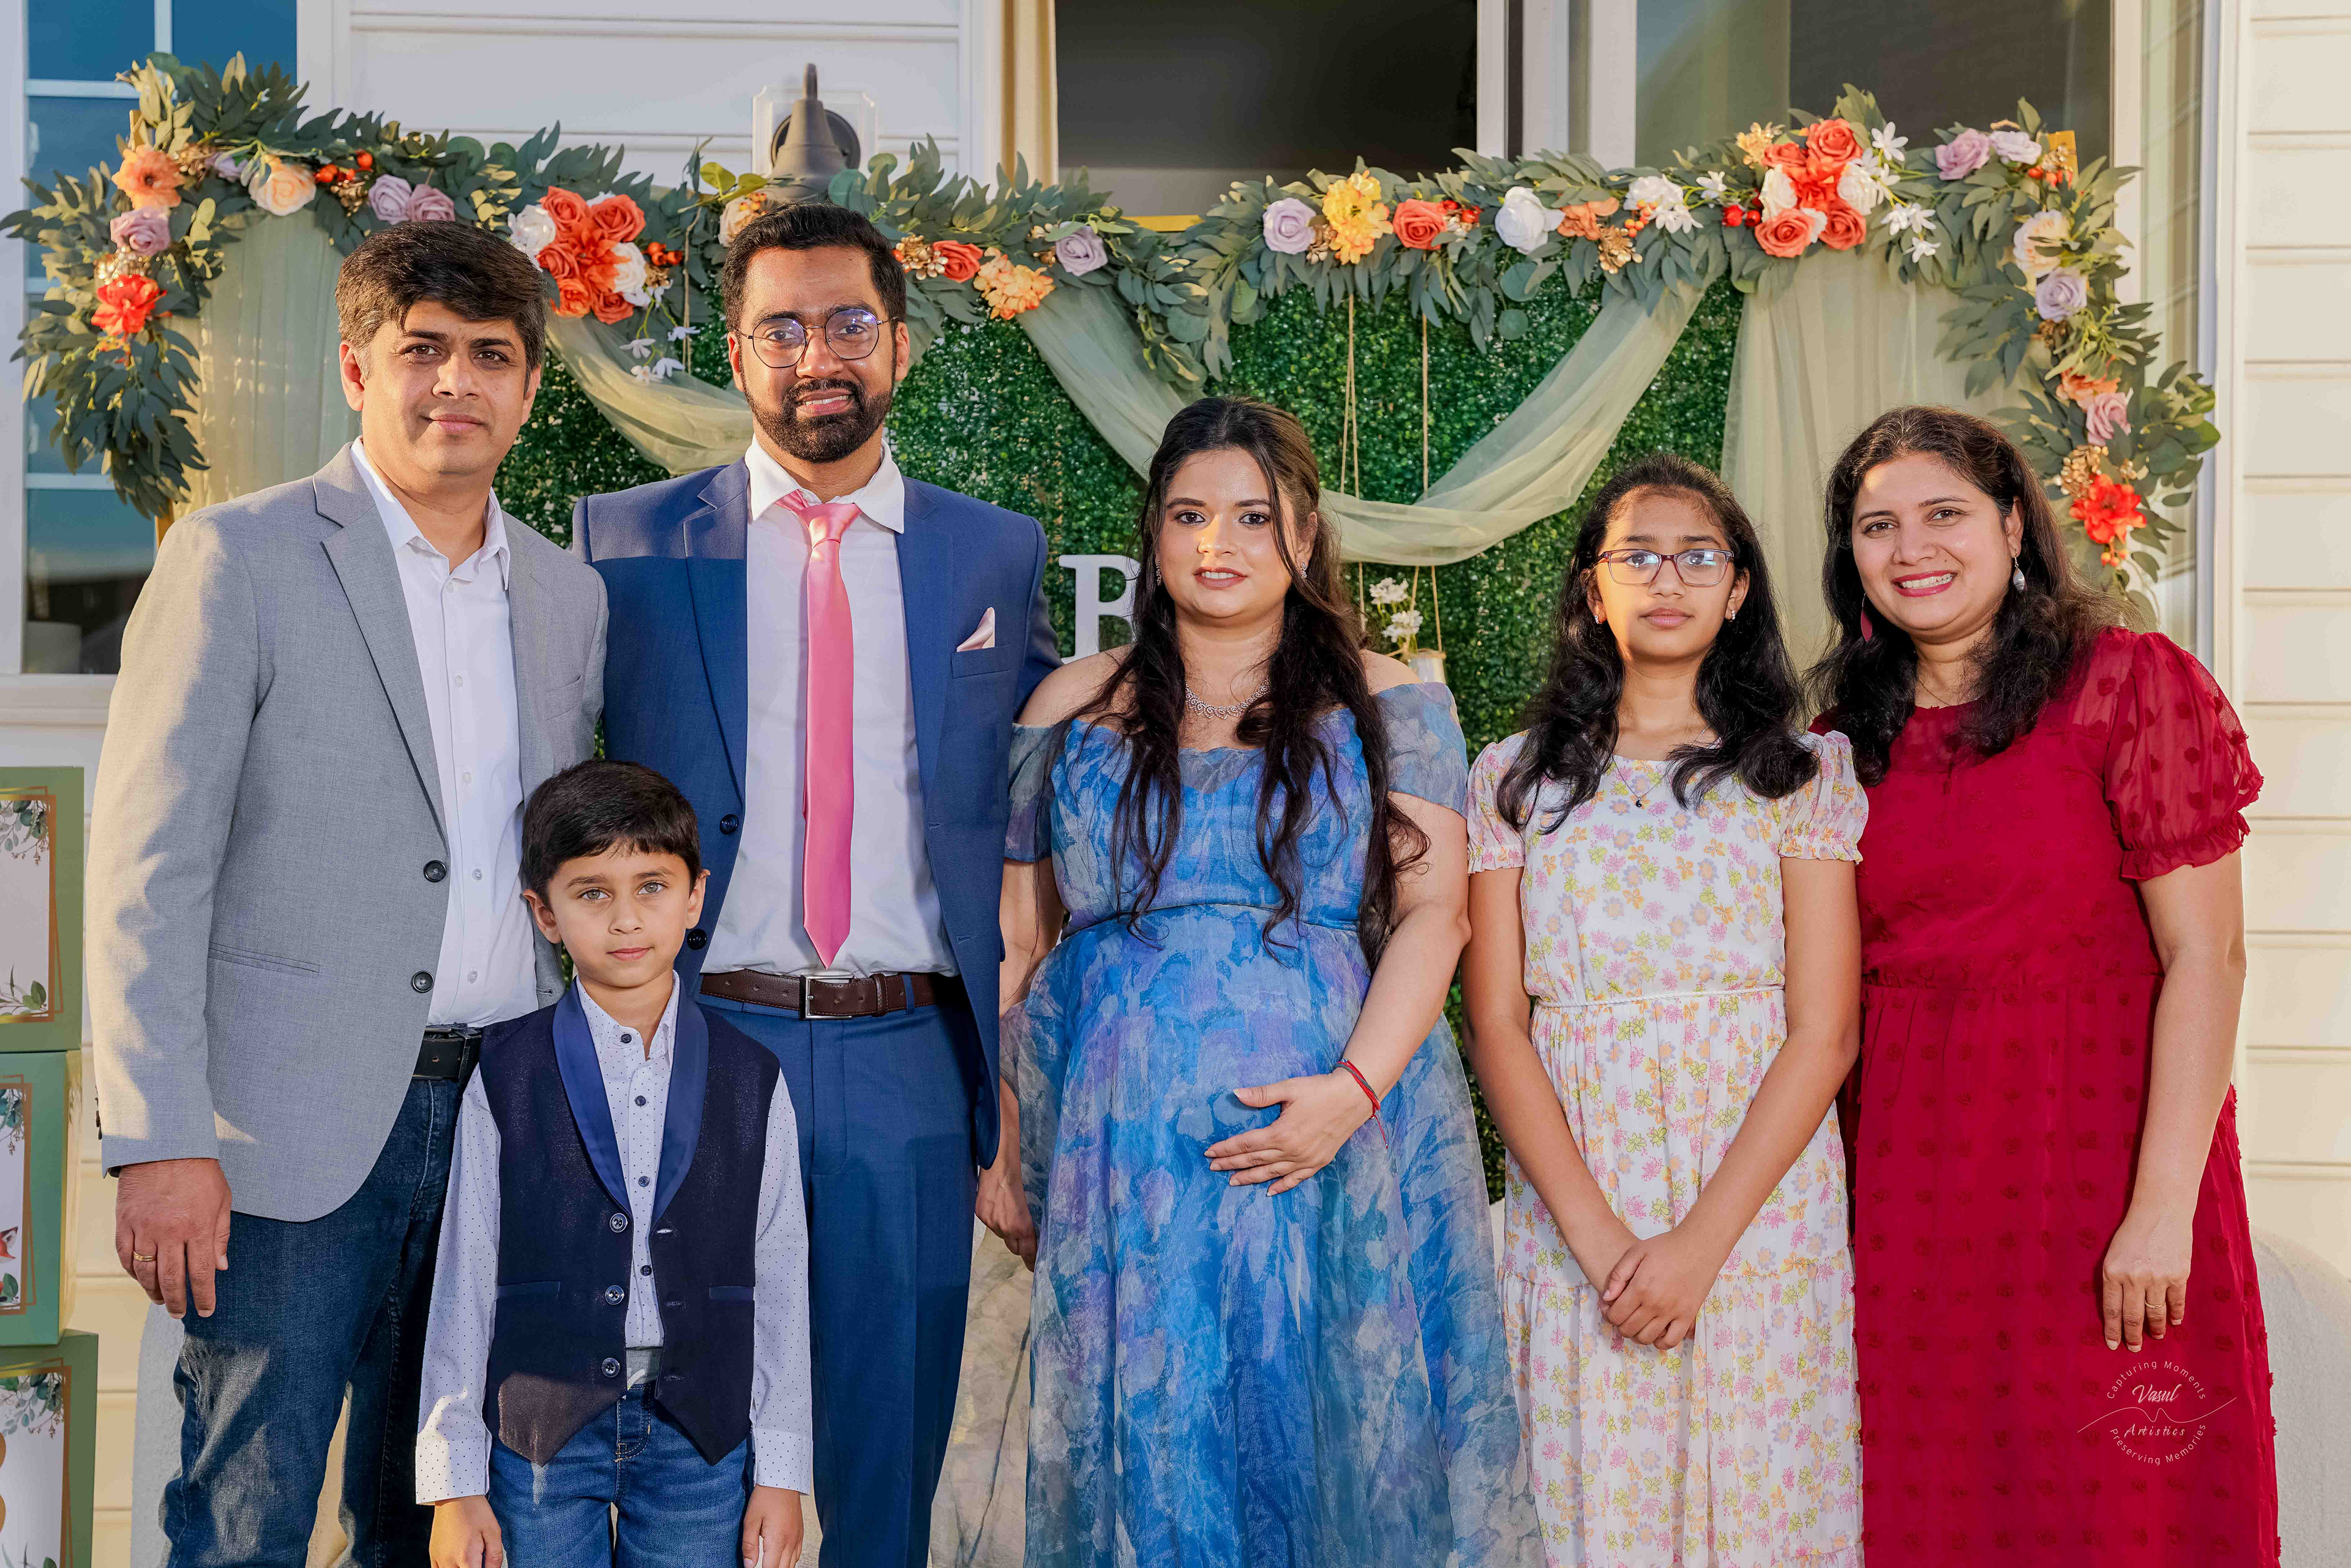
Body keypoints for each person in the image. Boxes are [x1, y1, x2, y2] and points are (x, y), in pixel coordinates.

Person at [88, 220, 607, 1566]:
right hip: (283, 1138)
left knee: (433, 1521)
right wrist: (157, 1139)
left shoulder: (567, 596)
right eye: (422, 350)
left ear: (529, 386)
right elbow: (148, 870)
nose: (457, 382)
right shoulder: (239, 557)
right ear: (356, 368)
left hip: (503, 1121)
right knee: (245, 1520)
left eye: (491, 355)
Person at [576, 201, 1057, 1568]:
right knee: (690, 1455)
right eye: (780, 328)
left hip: (908, 1057)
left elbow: (1041, 788)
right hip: (700, 1046)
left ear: (899, 343)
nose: (817, 355)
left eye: (848, 322)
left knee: (884, 1459)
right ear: (736, 354)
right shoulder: (625, 543)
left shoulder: (993, 552)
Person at [991, 394, 1539, 1567]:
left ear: (1305, 532)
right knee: (1153, 1438)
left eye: (1253, 515)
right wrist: (1002, 1143)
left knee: (1330, 1434)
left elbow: (1437, 916)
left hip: (1333, 1137)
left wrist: (1352, 1091)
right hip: (1121, 1149)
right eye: (1189, 514)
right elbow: (1021, 945)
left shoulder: (1390, 699)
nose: (1218, 543)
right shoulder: (1070, 705)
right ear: (1152, 530)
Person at [1811, 406, 2279, 1566]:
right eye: (1878, 525)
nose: (1912, 547)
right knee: (1935, 1504)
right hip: (1914, 1189)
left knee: (2122, 1512)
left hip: (2103, 1167)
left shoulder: (2126, 685)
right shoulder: (1836, 744)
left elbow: (2208, 957)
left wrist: (2159, 1211)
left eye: (1944, 514)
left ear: (2014, 525)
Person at [1457, 453, 1865, 1567]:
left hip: (1756, 1201)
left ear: (1739, 589)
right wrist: (1603, 1246)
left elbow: (1825, 1030)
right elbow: (1497, 1024)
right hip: (1580, 1198)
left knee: (1761, 1498)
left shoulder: (1801, 774)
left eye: (1698, 555)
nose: (1668, 577)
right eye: (1636, 556)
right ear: (1594, 589)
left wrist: (1698, 1245)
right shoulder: (1514, 780)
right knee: (1592, 1498)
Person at [416, 760, 811, 1568]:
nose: (626, 918)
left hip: (701, 1441)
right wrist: (455, 1484)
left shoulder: (754, 1076)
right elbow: (467, 1268)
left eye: (652, 887)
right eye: (592, 893)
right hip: (539, 1438)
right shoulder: (506, 1072)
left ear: (695, 896)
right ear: (545, 912)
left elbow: (780, 1273)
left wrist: (780, 1471)